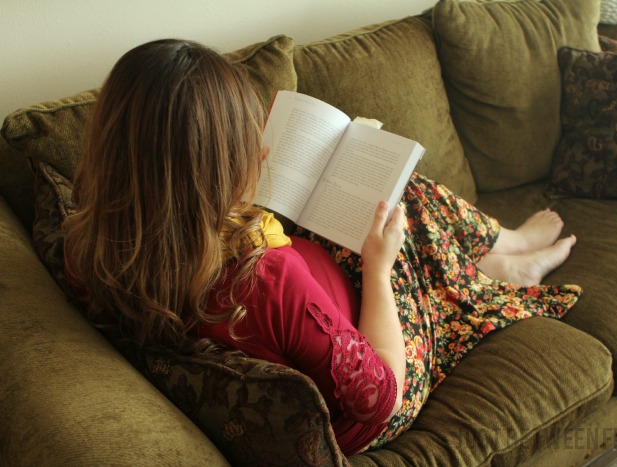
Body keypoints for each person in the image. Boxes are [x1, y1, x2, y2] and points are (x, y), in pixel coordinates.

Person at [64, 39, 581, 456]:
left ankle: (495, 254)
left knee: (384, 206)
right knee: (400, 202)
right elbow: (381, 396)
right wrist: (378, 270)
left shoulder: (93, 243)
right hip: (370, 404)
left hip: (312, 308)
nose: (262, 151)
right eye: (243, 144)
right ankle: (505, 259)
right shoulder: (265, 281)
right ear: (208, 173)